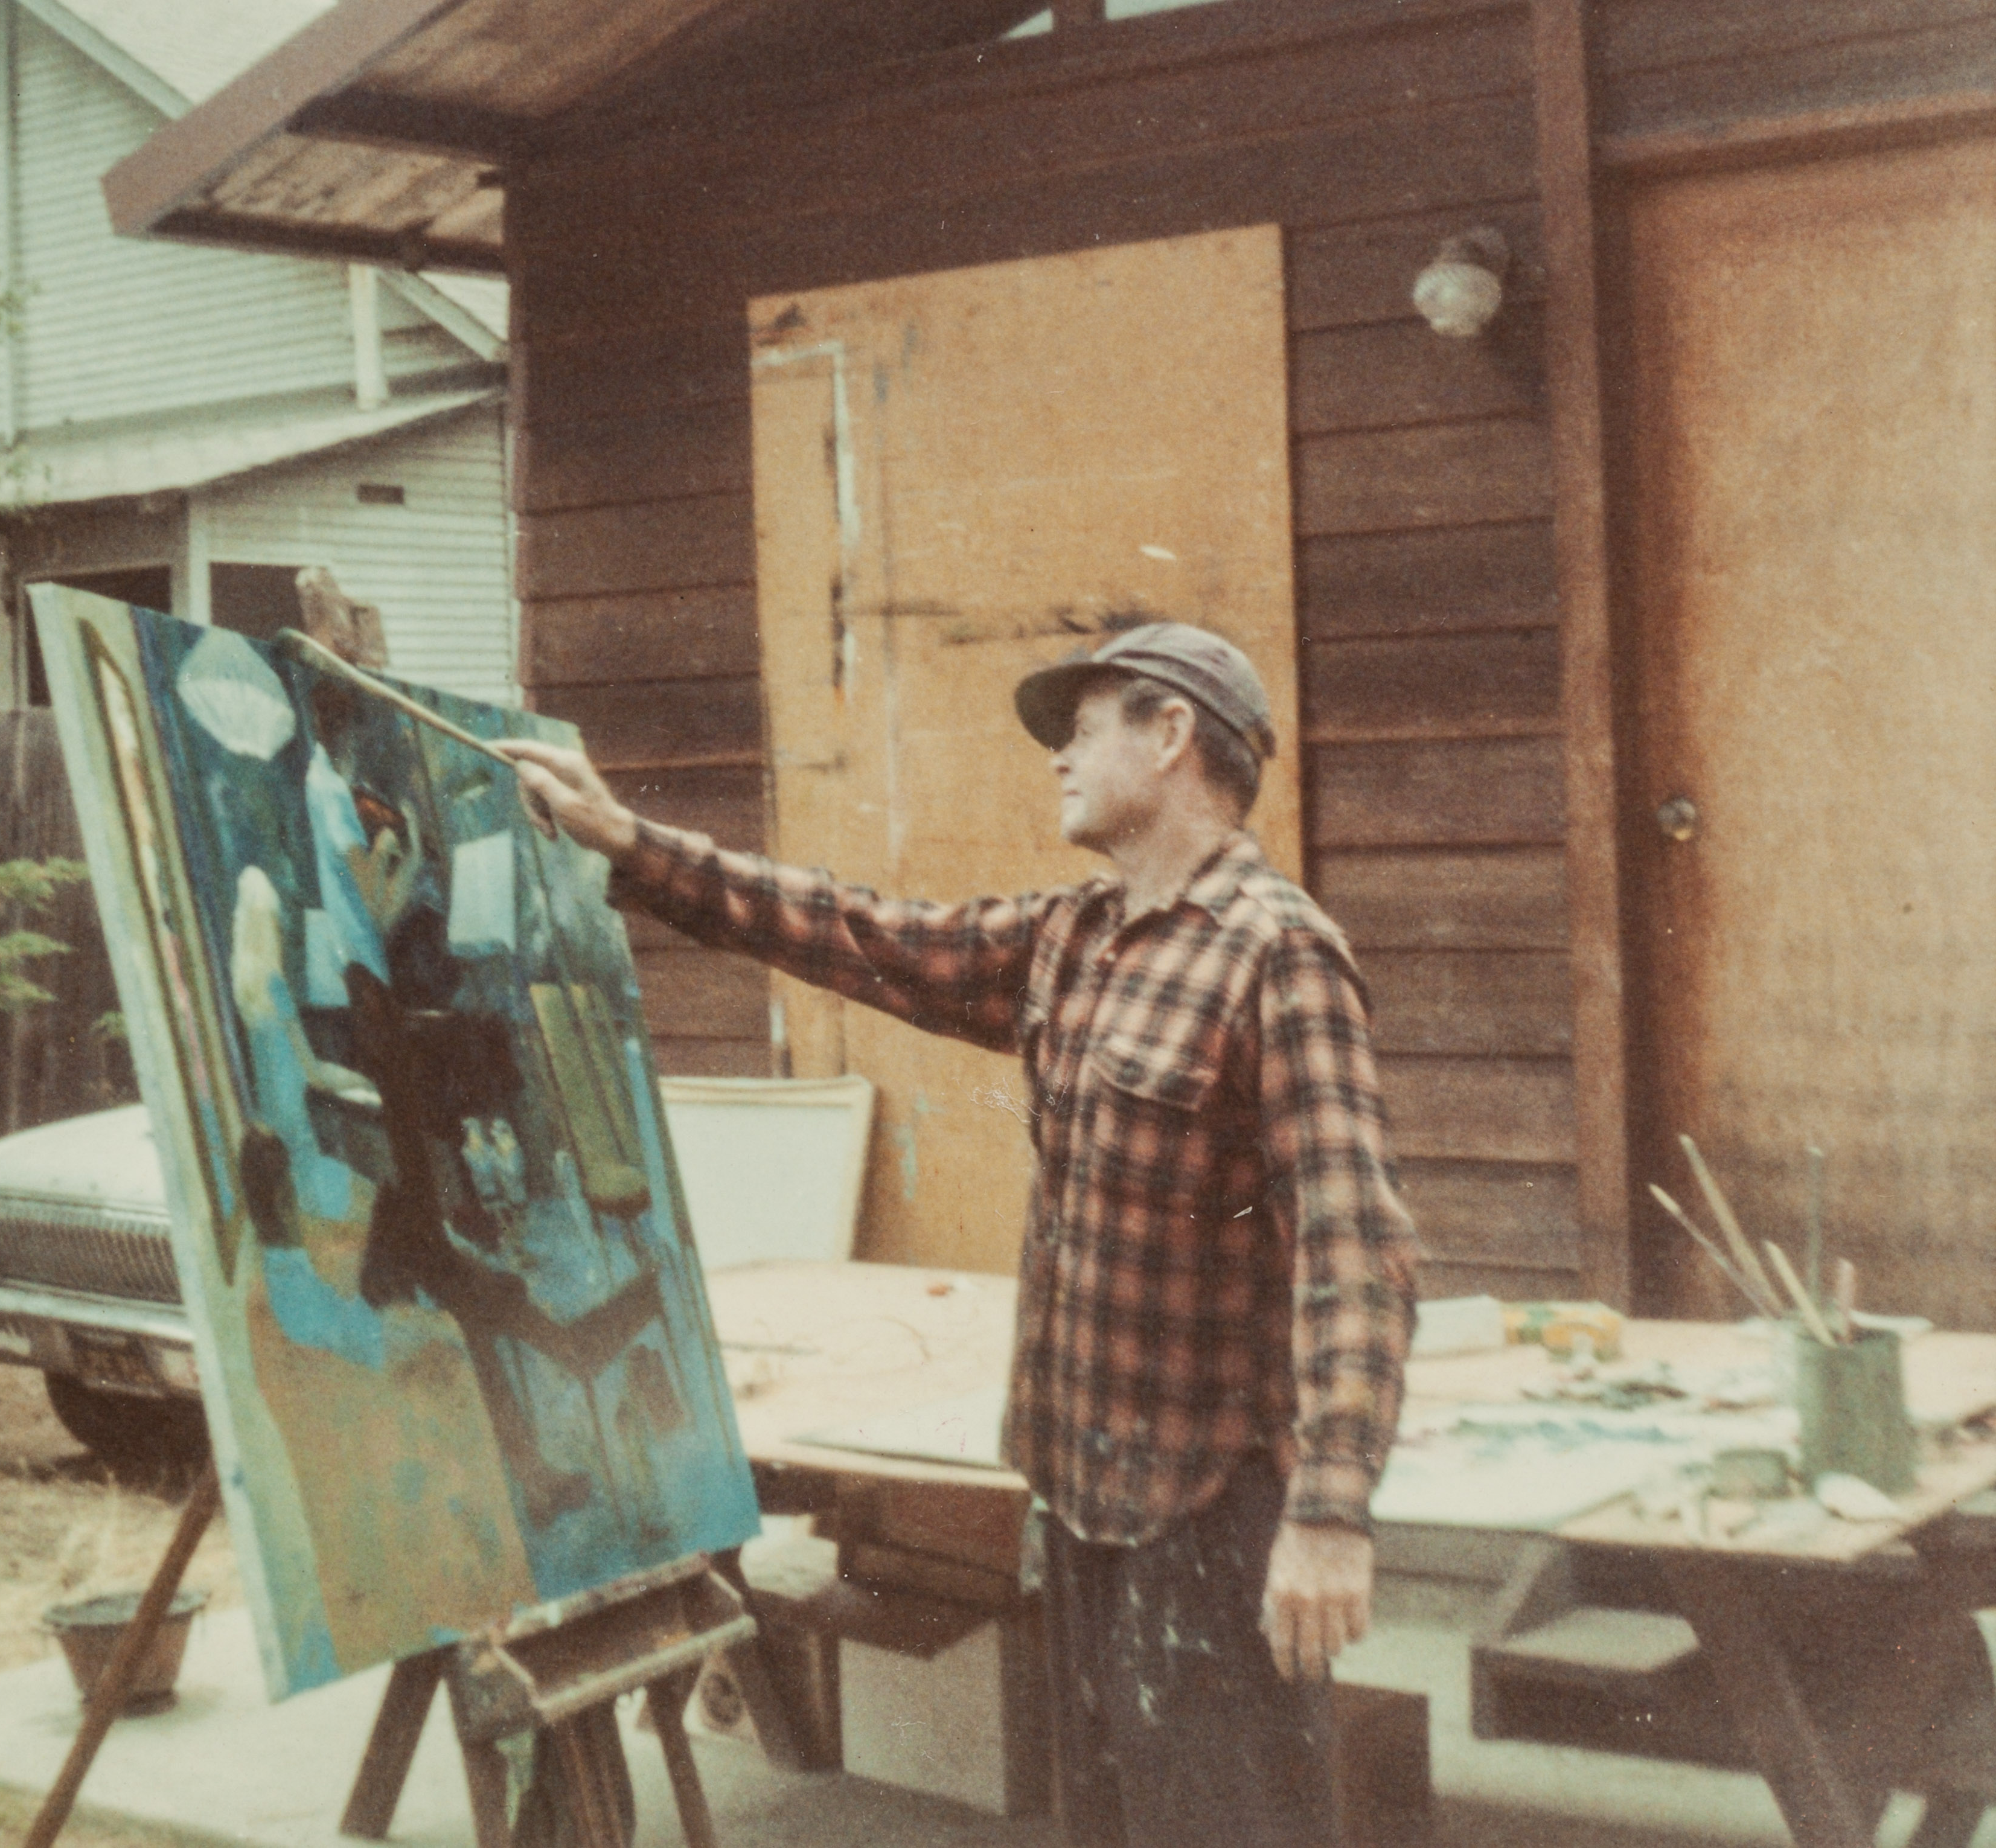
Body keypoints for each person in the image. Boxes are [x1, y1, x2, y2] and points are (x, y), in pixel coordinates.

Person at [505, 623, 1418, 1847]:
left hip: (1210, 1519)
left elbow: (1356, 1254)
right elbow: (858, 931)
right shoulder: (1075, 938)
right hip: (1075, 1503)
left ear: (1171, 735)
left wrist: (1332, 1514)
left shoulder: (1279, 955)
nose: (1058, 758)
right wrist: (631, 846)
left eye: (1082, 729)